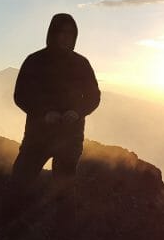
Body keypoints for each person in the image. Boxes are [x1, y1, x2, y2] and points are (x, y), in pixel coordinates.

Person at [9, 13, 101, 184]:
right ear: (53, 33)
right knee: (19, 183)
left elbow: (94, 96)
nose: (67, 37)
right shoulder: (34, 61)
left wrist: (77, 112)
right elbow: (20, 95)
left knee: (63, 191)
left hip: (70, 136)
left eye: (71, 33)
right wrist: (44, 114)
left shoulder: (81, 64)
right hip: (38, 136)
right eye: (63, 32)